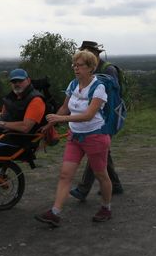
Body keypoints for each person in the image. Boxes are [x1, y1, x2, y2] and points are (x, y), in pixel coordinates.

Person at [35, 50, 114, 227]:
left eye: (80, 65)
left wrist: (61, 119)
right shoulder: (72, 84)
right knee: (65, 175)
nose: (75, 68)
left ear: (91, 68)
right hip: (75, 136)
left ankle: (106, 208)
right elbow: (64, 108)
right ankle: (54, 213)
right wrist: (51, 123)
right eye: (74, 65)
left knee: (101, 175)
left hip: (95, 136)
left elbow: (88, 115)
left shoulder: (98, 88)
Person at [69, 40, 123, 201]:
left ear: (95, 53)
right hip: (97, 116)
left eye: (86, 52)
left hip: (107, 117)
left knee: (96, 150)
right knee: (102, 152)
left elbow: (112, 96)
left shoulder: (108, 69)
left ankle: (83, 189)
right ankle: (116, 185)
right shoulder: (90, 69)